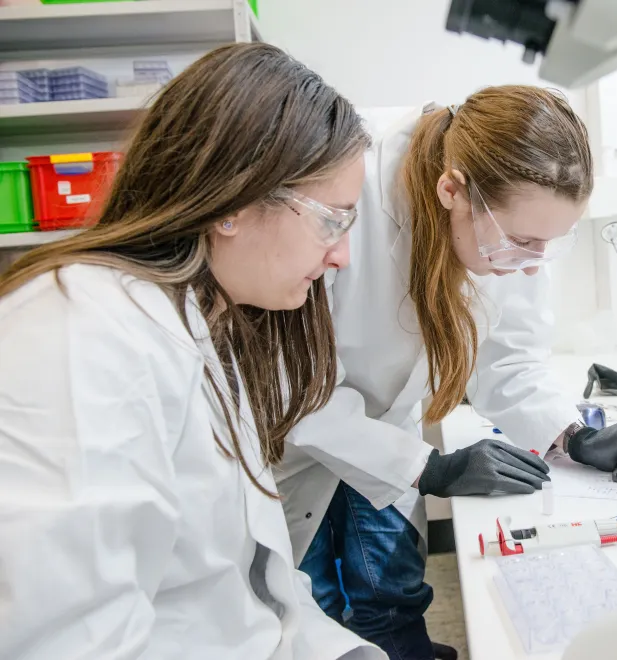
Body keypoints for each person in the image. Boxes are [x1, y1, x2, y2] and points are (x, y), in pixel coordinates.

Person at [0, 43, 385, 660]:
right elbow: (67, 640)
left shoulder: (202, 324)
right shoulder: (82, 333)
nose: (341, 255)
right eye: (332, 221)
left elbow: (242, 586)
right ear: (234, 204)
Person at [278, 86, 617, 659]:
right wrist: (428, 468)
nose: (532, 262)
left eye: (548, 245)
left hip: (386, 425)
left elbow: (508, 357)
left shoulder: (512, 222)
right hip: (298, 438)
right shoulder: (349, 196)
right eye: (521, 242)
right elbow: (296, 383)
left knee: (392, 597)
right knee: (306, 603)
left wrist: (575, 436)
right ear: (451, 190)